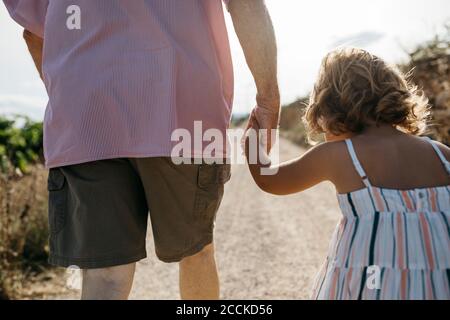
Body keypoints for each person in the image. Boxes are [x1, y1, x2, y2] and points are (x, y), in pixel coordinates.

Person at [3, 0, 280, 300]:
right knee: (195, 252)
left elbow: (34, 33)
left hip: (87, 119)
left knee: (105, 275)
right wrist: (268, 100)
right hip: (182, 112)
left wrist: (75, 103)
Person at [245, 48, 450, 300]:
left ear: (329, 106)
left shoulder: (340, 154)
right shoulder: (441, 153)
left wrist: (253, 145)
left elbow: (270, 179)